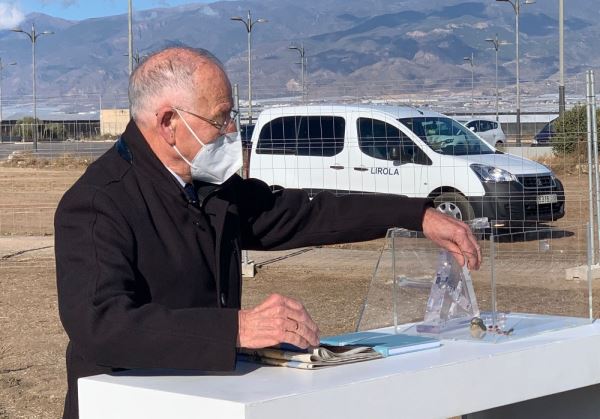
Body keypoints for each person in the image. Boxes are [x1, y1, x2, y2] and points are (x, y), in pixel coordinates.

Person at [54, 46, 481, 419]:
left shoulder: (210, 189)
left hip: (206, 404)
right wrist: (237, 330)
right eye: (220, 119)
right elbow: (101, 326)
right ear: (169, 123)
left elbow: (303, 212)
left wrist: (416, 213)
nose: (231, 132)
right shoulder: (97, 202)